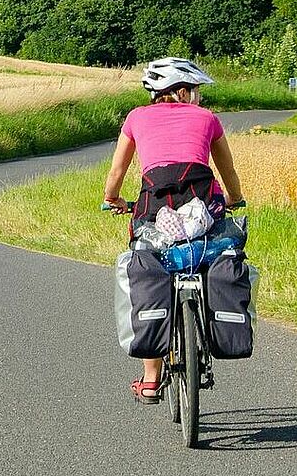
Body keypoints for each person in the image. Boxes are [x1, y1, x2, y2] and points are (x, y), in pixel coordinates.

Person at [103, 57, 246, 405]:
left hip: (154, 207)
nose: (197, 97)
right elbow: (227, 170)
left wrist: (113, 199)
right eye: (194, 90)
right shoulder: (208, 119)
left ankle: (151, 380)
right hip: (204, 207)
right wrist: (235, 198)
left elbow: (117, 171)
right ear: (181, 91)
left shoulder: (136, 118)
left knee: (150, 267)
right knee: (212, 256)